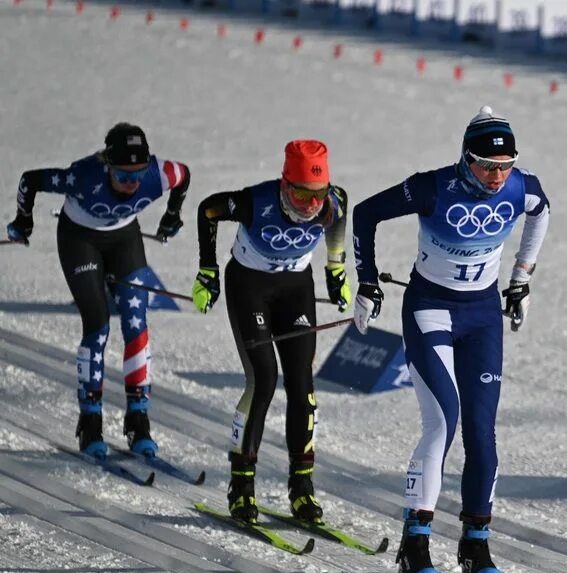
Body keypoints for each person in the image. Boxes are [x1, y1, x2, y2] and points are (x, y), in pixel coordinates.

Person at [352, 106, 550, 573]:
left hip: (482, 316)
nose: (497, 176)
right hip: (430, 309)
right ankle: (414, 541)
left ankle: (475, 542)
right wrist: (366, 283)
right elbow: (365, 214)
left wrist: (520, 280)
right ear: (466, 159)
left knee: (482, 432)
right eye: (486, 165)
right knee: (443, 420)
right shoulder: (433, 186)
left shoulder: (522, 186)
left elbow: (542, 210)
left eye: (504, 166)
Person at [6, 123, 190, 458]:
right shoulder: (83, 176)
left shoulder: (159, 174)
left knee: (137, 323)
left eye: (137, 176)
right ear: (107, 165)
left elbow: (184, 176)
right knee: (98, 323)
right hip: (80, 240)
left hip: (124, 239)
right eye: (122, 177)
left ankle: (139, 418)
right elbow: (30, 180)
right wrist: (23, 221)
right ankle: (90, 420)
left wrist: (172, 216)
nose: (131, 185)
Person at [191, 140, 351, 525]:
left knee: (302, 386)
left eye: (317, 195)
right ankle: (242, 486)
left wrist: (335, 269)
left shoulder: (334, 202)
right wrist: (207, 269)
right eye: (300, 194)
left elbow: (337, 221)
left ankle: (302, 488)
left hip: (295, 290)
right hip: (250, 287)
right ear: (284, 185)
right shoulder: (254, 201)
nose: (310, 205)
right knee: (263, 380)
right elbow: (207, 209)